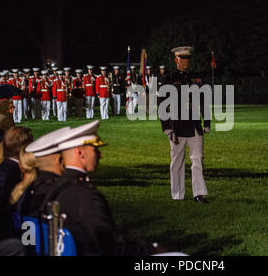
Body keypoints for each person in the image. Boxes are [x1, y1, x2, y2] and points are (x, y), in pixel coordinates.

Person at [39, 121, 163, 256]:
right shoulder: (85, 194)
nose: (100, 155)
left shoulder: (56, 186)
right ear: (80, 153)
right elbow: (110, 244)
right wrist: (151, 249)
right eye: (95, 149)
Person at [159, 46, 210, 203]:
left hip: (194, 124)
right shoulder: (168, 79)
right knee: (177, 160)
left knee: (198, 158)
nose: (185, 62)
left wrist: (206, 120)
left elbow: (203, 100)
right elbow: (162, 104)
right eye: (182, 58)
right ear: (176, 60)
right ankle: (178, 194)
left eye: (188, 59)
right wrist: (167, 127)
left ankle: (198, 193)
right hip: (177, 124)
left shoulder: (196, 77)